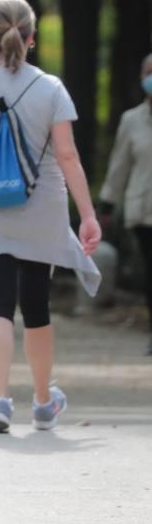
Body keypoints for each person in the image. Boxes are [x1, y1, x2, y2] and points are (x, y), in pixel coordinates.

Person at [0, 0, 101, 434]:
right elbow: (68, 156)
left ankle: (1, 400)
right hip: (43, 207)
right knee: (36, 303)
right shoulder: (50, 88)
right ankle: (44, 401)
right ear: (30, 37)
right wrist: (86, 215)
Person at [99, 54, 152, 357]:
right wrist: (107, 205)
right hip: (143, 209)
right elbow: (119, 165)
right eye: (148, 72)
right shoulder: (132, 121)